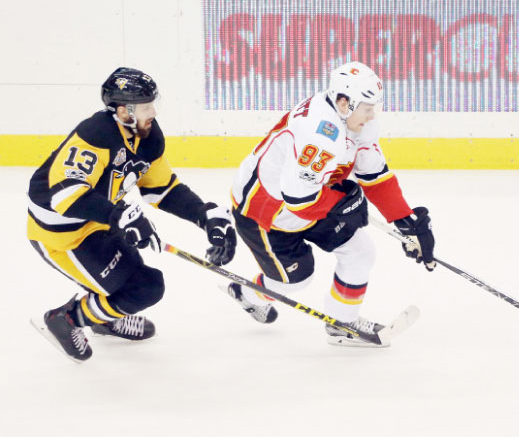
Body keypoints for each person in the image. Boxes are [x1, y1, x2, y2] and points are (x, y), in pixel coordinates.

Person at [27, 67, 237, 362]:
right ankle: (67, 319)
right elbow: (65, 195)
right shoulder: (96, 134)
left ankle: (105, 317)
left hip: (102, 221)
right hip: (63, 236)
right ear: (123, 111)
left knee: (145, 285)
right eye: (145, 106)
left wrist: (205, 216)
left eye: (153, 103)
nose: (153, 111)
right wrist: (120, 216)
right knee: (139, 291)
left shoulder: (146, 136)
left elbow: (162, 188)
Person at [222, 61, 436, 346]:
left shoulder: (354, 119)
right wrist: (343, 205)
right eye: (367, 108)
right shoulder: (321, 134)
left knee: (360, 251)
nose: (372, 116)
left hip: (310, 197)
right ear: (344, 102)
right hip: (265, 212)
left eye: (375, 108)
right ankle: (245, 293)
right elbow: (298, 199)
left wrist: (405, 221)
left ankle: (341, 322)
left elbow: (373, 173)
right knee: (294, 282)